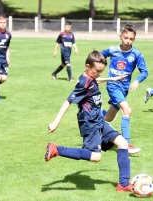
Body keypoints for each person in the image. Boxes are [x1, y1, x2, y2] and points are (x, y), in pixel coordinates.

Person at [45, 50, 132, 192]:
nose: (99, 74)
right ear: (87, 66)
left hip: (98, 119)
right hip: (89, 122)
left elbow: (95, 80)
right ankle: (57, 149)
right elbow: (68, 101)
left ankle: (123, 184)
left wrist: (112, 79)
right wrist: (56, 122)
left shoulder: (91, 78)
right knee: (96, 157)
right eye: (97, 71)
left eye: (101, 72)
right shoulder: (82, 83)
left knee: (122, 143)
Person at [100, 23, 148, 155]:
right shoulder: (112, 50)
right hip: (113, 86)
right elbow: (98, 57)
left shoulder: (137, 54)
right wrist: (97, 71)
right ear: (120, 36)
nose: (128, 41)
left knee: (108, 118)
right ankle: (126, 144)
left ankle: (93, 114)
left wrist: (137, 80)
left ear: (134, 39)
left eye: (131, 39)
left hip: (124, 89)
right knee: (127, 110)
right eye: (125, 38)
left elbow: (145, 72)